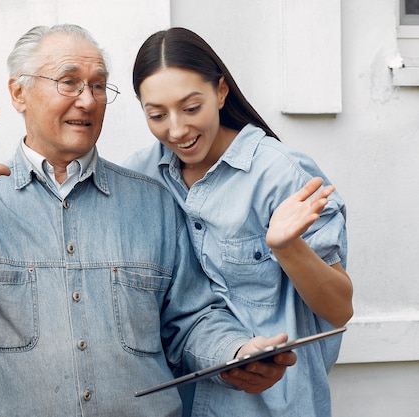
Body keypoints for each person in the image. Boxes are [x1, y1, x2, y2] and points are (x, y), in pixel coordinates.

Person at [0, 24, 296, 417]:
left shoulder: (152, 202)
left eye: (98, 86)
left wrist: (236, 353)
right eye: (68, 82)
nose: (87, 100)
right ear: (19, 93)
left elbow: (191, 320)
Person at [123, 27, 353, 417]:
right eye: (157, 115)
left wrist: (286, 246)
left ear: (221, 92)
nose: (176, 130)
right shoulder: (139, 177)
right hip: (177, 402)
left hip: (272, 405)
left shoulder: (280, 173)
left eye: (191, 108)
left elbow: (339, 308)